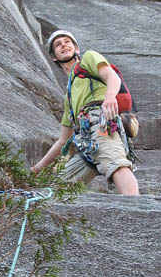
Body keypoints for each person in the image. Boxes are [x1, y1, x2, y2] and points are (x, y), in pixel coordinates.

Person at [31, 30, 139, 195]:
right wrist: (38, 168)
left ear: (77, 49)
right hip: (86, 139)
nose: (64, 45)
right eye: (58, 45)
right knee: (59, 188)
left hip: (102, 121)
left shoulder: (88, 58)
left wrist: (109, 97)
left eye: (68, 42)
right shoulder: (69, 95)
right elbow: (63, 140)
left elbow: (111, 76)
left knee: (116, 164)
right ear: (54, 57)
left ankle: (136, 208)